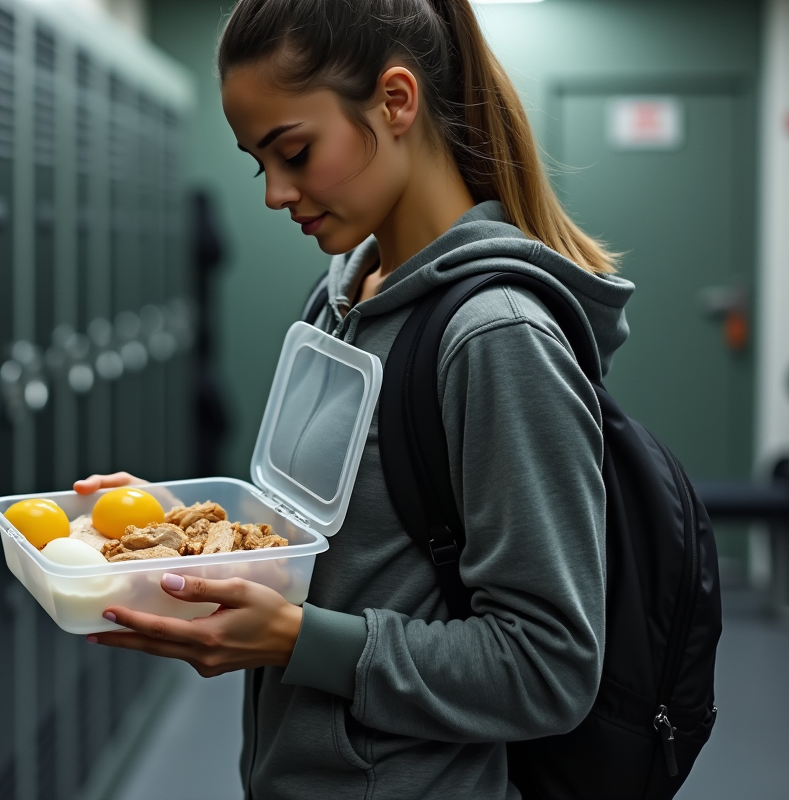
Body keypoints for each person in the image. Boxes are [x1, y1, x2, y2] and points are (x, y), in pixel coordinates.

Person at [74, 0, 635, 797]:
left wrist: (303, 641)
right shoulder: (338, 299)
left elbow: (549, 666)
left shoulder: (496, 337)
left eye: (294, 152)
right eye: (257, 162)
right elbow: (324, 548)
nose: (274, 193)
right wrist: (176, 530)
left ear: (397, 101)